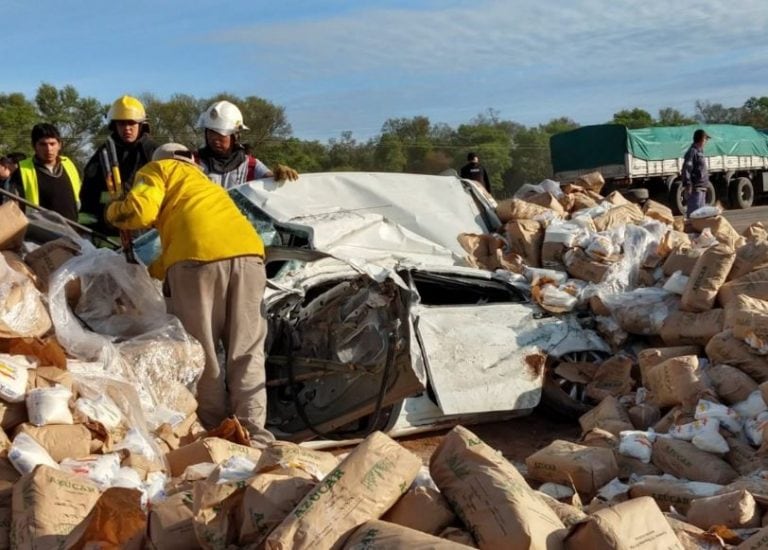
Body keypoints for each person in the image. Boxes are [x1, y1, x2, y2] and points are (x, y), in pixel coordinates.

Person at [105, 143, 274, 446]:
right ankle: (255, 438)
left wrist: (116, 209)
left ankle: (215, 436)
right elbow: (177, 250)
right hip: (249, 255)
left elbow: (138, 211)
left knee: (202, 352)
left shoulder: (158, 168)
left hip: (199, 261)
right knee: (247, 351)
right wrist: (150, 270)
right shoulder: (204, 184)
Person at [80, 95, 158, 233]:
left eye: (131, 123)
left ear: (141, 124)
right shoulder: (103, 155)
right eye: (122, 123)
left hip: (148, 234)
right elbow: (88, 196)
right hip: (109, 235)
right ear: (114, 125)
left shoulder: (154, 152)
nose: (127, 128)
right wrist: (86, 232)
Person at [196, 100, 298, 189]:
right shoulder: (193, 163)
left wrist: (281, 175)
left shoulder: (251, 165)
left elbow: (271, 181)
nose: (214, 139)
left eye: (221, 134)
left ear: (235, 135)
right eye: (211, 133)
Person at [10, 123, 81, 221]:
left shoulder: (68, 164)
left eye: (52, 144)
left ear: (59, 145)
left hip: (73, 230)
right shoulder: (22, 170)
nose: (48, 149)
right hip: (40, 232)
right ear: (34, 146)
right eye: (43, 144)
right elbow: (12, 208)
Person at [681, 129, 711, 217]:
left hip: (701, 188)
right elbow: (687, 169)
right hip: (695, 189)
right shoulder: (692, 152)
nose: (706, 142)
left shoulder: (699, 152)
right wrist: (688, 185)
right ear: (701, 139)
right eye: (706, 139)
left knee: (701, 215)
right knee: (694, 214)